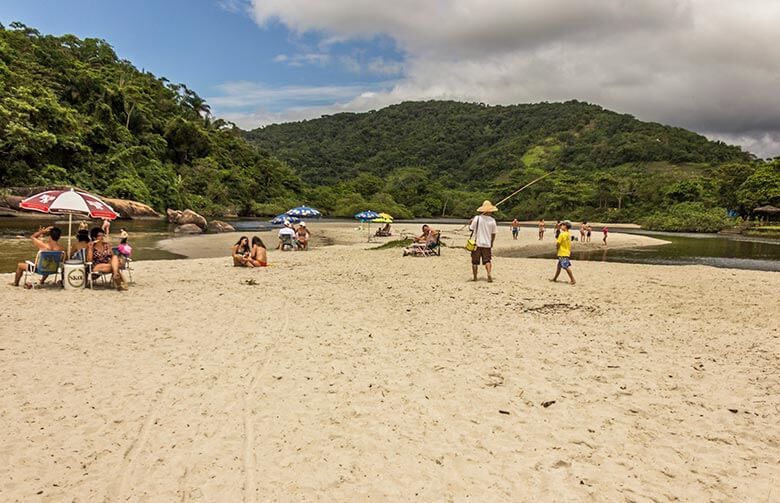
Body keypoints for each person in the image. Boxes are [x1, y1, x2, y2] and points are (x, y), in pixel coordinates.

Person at [469, 200, 498, 282]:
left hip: (477, 243)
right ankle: (488, 274)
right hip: (487, 243)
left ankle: (475, 277)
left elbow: (471, 229)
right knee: (487, 260)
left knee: (474, 261)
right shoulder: (492, 220)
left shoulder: (477, 218)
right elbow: (493, 233)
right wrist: (491, 242)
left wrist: (471, 222)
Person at [550, 220, 576, 285]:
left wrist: (557, 248)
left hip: (562, 252)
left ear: (566, 226)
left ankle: (573, 279)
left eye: (563, 225)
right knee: (559, 266)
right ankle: (555, 278)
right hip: (566, 252)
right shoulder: (568, 234)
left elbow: (558, 243)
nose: (561, 226)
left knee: (565, 266)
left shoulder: (562, 234)